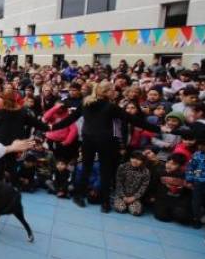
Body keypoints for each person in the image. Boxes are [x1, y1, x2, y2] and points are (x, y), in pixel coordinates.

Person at [52, 81, 161, 212]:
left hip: (96, 141)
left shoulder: (97, 104)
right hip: (99, 142)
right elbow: (132, 119)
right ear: (105, 92)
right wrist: (158, 129)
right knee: (100, 171)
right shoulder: (101, 105)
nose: (114, 92)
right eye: (112, 90)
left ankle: (88, 198)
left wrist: (52, 127)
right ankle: (96, 200)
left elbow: (70, 119)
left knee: (93, 169)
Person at [185, 132, 205, 247]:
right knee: (196, 202)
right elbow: (191, 167)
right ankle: (197, 219)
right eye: (200, 145)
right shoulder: (197, 154)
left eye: (204, 145)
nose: (201, 147)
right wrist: (190, 179)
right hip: (198, 183)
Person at [153, 154, 193, 225]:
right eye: (168, 162)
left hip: (178, 200)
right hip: (163, 199)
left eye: (173, 164)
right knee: (162, 217)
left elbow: (188, 192)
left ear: (180, 166)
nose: (169, 165)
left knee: (182, 217)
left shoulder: (185, 176)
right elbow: (153, 185)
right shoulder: (160, 172)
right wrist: (152, 196)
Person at [113, 151, 150, 216]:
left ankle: (133, 205)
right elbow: (118, 183)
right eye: (133, 158)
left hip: (134, 197)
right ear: (130, 158)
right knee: (121, 209)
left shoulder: (146, 171)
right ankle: (121, 202)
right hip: (121, 195)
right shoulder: (122, 167)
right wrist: (123, 196)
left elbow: (143, 187)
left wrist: (134, 198)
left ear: (142, 161)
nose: (135, 161)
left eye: (138, 159)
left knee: (136, 212)